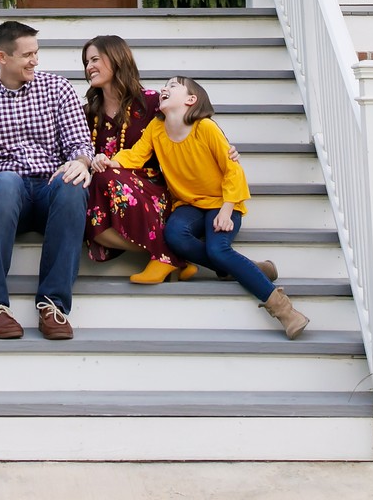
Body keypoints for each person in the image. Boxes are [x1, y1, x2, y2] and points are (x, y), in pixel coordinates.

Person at [98, 76, 310, 338]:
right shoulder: (156, 127)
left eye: (173, 86)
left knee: (218, 249)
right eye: (165, 86)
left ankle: (285, 310)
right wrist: (110, 162)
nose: (165, 89)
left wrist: (227, 209)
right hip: (189, 204)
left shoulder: (205, 127)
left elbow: (233, 170)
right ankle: (247, 266)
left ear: (191, 99)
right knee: (174, 236)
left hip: (222, 202)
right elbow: (136, 155)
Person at [0, 20, 93, 341]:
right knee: (5, 181)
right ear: (2, 57)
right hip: (8, 198)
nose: (35, 60)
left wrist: (80, 162)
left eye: (37, 52)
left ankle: (53, 305)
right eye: (27, 55)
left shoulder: (57, 89)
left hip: (50, 188)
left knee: (72, 183)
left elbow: (79, 143)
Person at [79, 34, 178, 284]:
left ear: (117, 58)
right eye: (86, 62)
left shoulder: (153, 102)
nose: (89, 67)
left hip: (151, 189)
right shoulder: (88, 113)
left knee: (105, 177)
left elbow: (193, 125)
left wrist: (225, 147)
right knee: (87, 217)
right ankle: (170, 254)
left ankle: (170, 256)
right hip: (105, 192)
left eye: (94, 59)